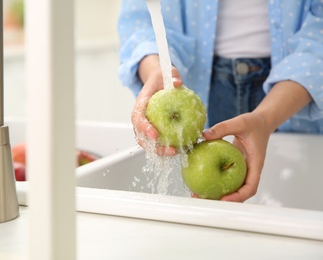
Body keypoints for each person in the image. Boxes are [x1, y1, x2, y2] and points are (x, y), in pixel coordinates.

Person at [117, 0, 323, 202]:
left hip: (296, 95)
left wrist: (266, 118)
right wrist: (156, 70)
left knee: (297, 204)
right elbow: (140, 18)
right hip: (197, 86)